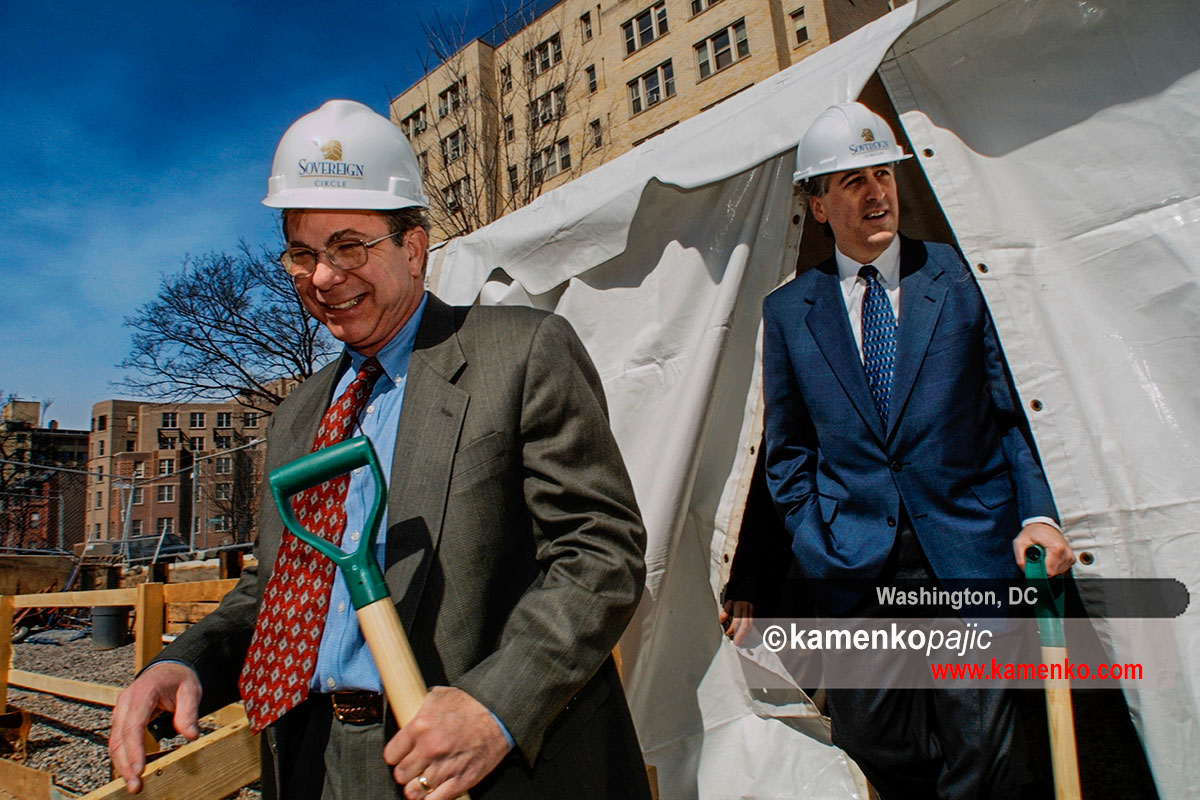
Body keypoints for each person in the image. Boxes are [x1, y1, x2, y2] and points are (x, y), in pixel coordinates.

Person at [108, 100, 651, 800]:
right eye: (302, 254)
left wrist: (495, 706)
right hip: (317, 759)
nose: (323, 278)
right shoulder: (300, 415)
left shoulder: (518, 354)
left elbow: (599, 553)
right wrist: (185, 665)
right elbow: (280, 589)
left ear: (414, 247)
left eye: (349, 246)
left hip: (487, 766)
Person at [752, 102, 1075, 798]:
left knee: (981, 750)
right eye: (851, 181)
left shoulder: (957, 276)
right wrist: (816, 537)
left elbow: (1010, 415)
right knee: (876, 744)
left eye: (882, 174)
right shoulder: (788, 312)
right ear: (817, 205)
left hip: (968, 546)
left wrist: (1039, 514)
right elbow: (787, 451)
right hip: (855, 564)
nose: (875, 193)